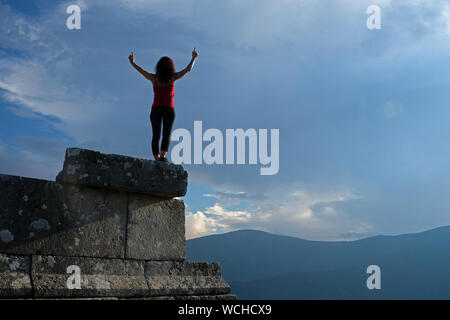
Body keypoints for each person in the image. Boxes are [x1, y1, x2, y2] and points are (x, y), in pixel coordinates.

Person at [128, 48, 198, 162]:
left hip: (156, 109)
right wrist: (194, 57)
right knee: (166, 134)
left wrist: (132, 63)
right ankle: (163, 156)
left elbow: (141, 71)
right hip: (169, 109)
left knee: (156, 135)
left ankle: (156, 159)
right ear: (171, 66)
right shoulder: (172, 78)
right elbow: (188, 69)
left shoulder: (154, 78)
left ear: (158, 67)